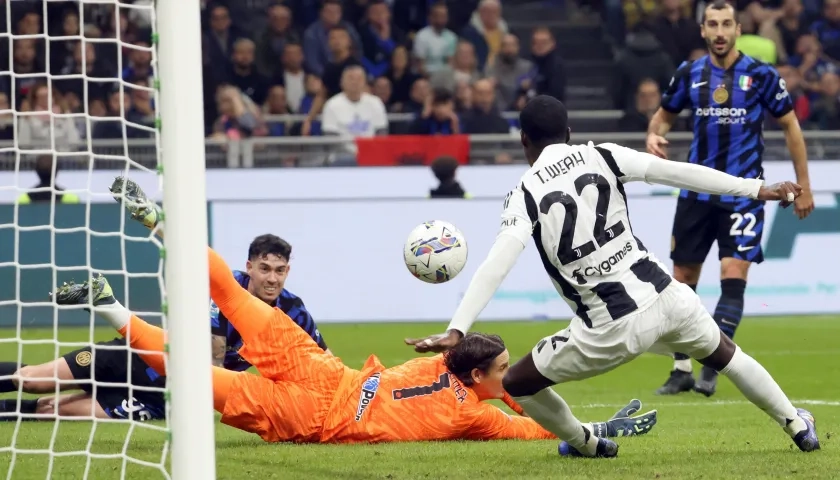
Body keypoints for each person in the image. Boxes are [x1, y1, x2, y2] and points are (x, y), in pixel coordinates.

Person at [54, 177, 659, 444]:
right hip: (317, 408)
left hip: (324, 378)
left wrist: (452, 339)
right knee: (197, 357)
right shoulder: (476, 415)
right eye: (504, 371)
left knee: (230, 300)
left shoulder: (453, 375)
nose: (512, 377)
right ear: (477, 377)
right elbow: (536, 425)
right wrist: (598, 431)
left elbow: (523, 410)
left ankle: (150, 240)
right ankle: (113, 299)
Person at [406, 94, 820, 458]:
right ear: (568, 131)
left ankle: (587, 443)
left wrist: (458, 329)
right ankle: (796, 423)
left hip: (607, 326)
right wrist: (755, 188)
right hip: (666, 296)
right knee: (726, 355)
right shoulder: (601, 154)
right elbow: (678, 172)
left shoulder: (525, 193)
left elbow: (499, 260)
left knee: (517, 382)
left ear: (523, 141)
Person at [645, 0, 814, 396]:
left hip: (745, 191)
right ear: (703, 31)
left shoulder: (761, 75)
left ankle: (712, 364)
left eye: (726, 24)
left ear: (738, 29)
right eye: (712, 25)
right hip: (696, 190)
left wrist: (803, 185)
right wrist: (653, 134)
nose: (719, 32)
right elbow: (662, 117)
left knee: (733, 272)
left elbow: (791, 128)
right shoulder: (690, 73)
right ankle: (682, 369)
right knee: (682, 279)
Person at [0, 230, 328, 422]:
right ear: (249, 267)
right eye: (265, 268)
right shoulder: (227, 289)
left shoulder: (294, 311)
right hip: (139, 357)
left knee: (49, 411)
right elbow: (213, 358)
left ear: (287, 271)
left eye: (280, 270)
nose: (272, 278)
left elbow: (322, 362)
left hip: (163, 396)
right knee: (32, 381)